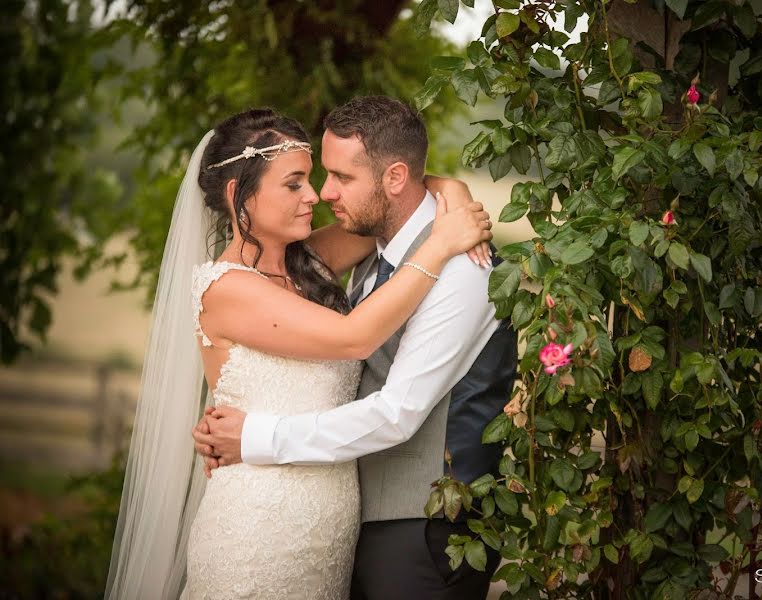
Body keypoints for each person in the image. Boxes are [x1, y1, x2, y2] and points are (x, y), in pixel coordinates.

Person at [104, 107, 493, 599]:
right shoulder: (225, 289)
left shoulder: (309, 262)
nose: (315, 195)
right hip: (258, 524)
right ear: (237, 195)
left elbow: (398, 192)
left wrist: (454, 195)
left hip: (332, 529)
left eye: (313, 179)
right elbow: (356, 337)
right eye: (294, 184)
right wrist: (440, 245)